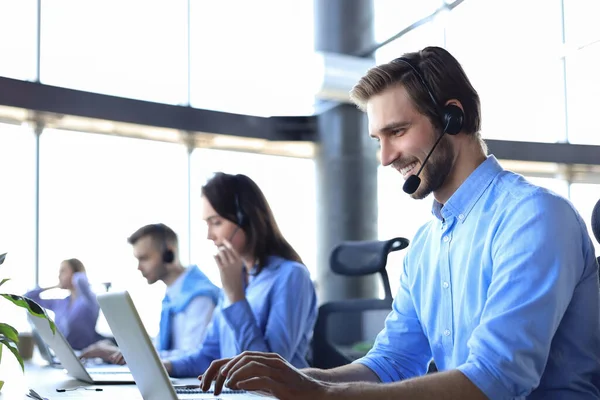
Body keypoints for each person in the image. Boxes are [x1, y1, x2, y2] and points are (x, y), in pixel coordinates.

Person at [198, 46, 600, 399]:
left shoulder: (534, 218)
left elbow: (495, 379)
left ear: (452, 118)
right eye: (378, 139)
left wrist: (322, 395)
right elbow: (391, 363)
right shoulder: (426, 244)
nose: (385, 157)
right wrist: (293, 381)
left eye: (397, 132)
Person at [161, 172, 318, 378]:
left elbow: (271, 370)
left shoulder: (291, 276)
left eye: (216, 223)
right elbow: (208, 356)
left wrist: (236, 297)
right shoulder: (235, 278)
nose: (209, 236)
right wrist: (165, 366)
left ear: (245, 219)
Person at [81, 223, 220, 361]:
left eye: (144, 258)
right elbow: (162, 350)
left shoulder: (200, 296)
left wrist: (133, 355)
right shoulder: (172, 296)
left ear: (168, 254)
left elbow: (193, 357)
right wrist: (121, 352)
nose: (139, 267)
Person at [25, 258, 104, 350]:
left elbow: (81, 280)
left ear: (75, 274)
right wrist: (54, 286)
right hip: (62, 353)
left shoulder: (89, 300)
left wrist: (76, 276)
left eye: (63, 271)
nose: (59, 276)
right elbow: (28, 297)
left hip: (87, 356)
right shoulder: (60, 303)